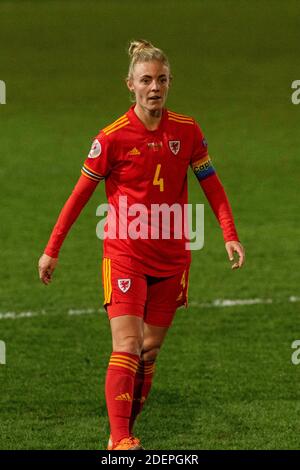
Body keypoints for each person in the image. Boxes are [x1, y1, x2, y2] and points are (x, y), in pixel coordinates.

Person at [38, 39, 245, 450]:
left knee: (148, 353)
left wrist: (229, 234)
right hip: (125, 254)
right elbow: (78, 196)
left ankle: (126, 423)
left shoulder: (187, 131)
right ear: (129, 84)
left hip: (172, 257)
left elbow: (213, 186)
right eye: (146, 80)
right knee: (127, 344)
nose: (155, 88)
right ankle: (120, 440)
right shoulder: (111, 138)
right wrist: (52, 249)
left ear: (170, 83)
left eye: (162, 79)